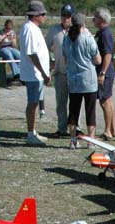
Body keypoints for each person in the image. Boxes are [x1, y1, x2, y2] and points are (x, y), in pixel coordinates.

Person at [63, 12, 100, 147]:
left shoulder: (66, 38)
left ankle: (73, 140)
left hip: (73, 79)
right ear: (84, 23)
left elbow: (65, 59)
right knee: (90, 111)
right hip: (88, 79)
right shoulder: (88, 38)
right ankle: (91, 140)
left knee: (73, 111)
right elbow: (97, 59)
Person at [20, 0, 51, 146]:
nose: (44, 17)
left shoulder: (34, 28)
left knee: (35, 103)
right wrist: (43, 73)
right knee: (32, 104)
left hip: (37, 74)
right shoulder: (29, 29)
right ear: (35, 15)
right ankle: (30, 133)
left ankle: (33, 131)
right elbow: (32, 53)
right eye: (42, 14)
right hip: (33, 74)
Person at [46, 4, 73, 138]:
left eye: (68, 16)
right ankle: (62, 128)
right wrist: (50, 61)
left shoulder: (77, 30)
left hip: (74, 73)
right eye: (63, 15)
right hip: (60, 71)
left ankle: (76, 127)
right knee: (61, 103)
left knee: (75, 102)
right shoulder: (54, 30)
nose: (65, 18)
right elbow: (45, 47)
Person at [94, 7, 115, 140]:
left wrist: (102, 72)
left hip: (105, 72)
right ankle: (113, 129)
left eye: (96, 17)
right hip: (106, 71)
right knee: (108, 100)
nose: (93, 19)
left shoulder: (105, 34)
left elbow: (107, 55)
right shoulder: (101, 33)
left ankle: (107, 131)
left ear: (102, 20)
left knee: (104, 102)